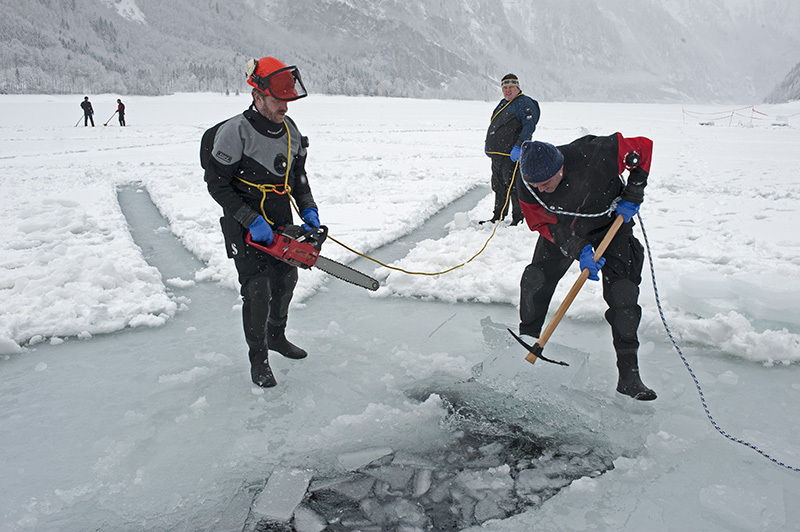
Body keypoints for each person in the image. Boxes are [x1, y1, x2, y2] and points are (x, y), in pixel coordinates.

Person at [203, 56, 319, 388]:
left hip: (280, 219)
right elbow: (217, 184)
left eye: (287, 100)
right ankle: (259, 360)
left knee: (286, 282)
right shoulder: (234, 132)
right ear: (257, 96)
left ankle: (277, 337)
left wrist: (308, 209)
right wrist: (250, 219)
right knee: (257, 291)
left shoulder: (290, 131)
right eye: (277, 101)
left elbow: (299, 178)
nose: (284, 107)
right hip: (245, 222)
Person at [515, 135, 657, 401]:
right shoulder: (528, 184)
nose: (541, 190)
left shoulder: (598, 152)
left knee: (623, 296)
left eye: (546, 183)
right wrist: (577, 248)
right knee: (535, 279)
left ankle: (629, 375)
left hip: (611, 224)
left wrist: (634, 192)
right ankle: (526, 343)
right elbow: (538, 221)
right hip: (563, 229)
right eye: (536, 185)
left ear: (560, 169)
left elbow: (643, 146)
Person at [482, 74, 540, 225]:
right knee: (498, 185)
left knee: (514, 186)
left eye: (510, 87)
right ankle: (498, 216)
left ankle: (518, 218)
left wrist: (519, 146)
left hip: (511, 154)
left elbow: (529, 127)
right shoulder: (503, 103)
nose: (507, 91)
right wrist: (489, 144)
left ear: (517, 87)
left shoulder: (525, 103)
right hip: (497, 154)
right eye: (504, 88)